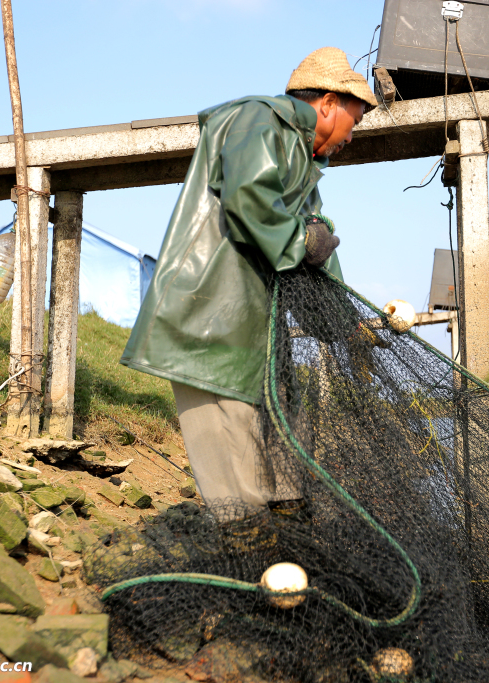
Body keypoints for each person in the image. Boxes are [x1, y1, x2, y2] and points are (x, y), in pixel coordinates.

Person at [121, 48, 377, 524]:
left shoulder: (304, 164)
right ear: (327, 103)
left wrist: (348, 323)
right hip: (209, 319)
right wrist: (304, 238)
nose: (351, 137)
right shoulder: (257, 118)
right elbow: (250, 197)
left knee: (282, 442)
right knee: (234, 459)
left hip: (256, 328)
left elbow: (317, 247)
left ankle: (283, 552)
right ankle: (252, 561)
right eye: (354, 121)